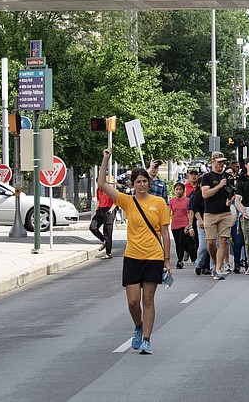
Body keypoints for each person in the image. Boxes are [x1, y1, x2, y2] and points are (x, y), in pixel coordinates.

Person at [98, 149, 171, 355]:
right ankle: (138, 326)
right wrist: (105, 159)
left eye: (144, 181)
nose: (141, 185)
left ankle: (147, 339)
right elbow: (102, 183)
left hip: (154, 256)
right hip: (132, 256)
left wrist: (166, 259)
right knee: (132, 301)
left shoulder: (158, 203)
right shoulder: (128, 202)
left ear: (149, 183)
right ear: (133, 184)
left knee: (148, 299)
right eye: (137, 182)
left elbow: (165, 233)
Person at [200, 151, 234, 280]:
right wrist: (219, 186)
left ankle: (218, 268)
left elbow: (232, 192)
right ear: (213, 161)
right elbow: (205, 194)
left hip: (225, 213)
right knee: (210, 243)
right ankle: (215, 262)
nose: (221, 164)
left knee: (223, 241)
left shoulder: (228, 176)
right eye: (219, 162)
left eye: (223, 162)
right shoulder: (207, 177)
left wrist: (230, 200)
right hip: (210, 213)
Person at [168, 184, 192, 269]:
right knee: (177, 243)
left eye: (180, 189)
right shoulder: (171, 201)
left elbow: (189, 213)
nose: (178, 191)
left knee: (181, 242)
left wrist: (189, 225)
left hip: (184, 224)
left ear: (183, 190)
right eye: (177, 189)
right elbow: (168, 212)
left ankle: (180, 260)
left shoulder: (187, 200)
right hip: (175, 224)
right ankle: (180, 257)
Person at [91, 178, 116, 259]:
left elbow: (116, 201)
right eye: (98, 183)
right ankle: (104, 240)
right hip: (100, 210)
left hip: (109, 210)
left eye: (100, 183)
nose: (99, 185)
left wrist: (111, 210)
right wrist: (96, 209)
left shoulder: (110, 189)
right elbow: (98, 200)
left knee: (107, 233)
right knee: (93, 227)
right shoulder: (98, 190)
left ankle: (108, 253)